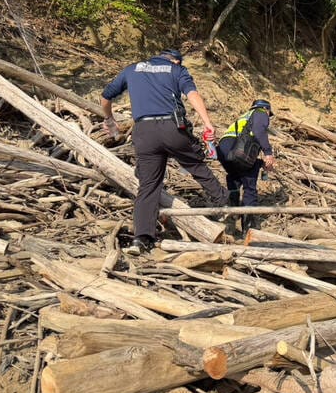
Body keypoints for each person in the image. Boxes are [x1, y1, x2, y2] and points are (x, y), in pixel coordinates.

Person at [101, 49, 229, 255]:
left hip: (144, 132)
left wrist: (109, 120)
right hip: (172, 128)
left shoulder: (132, 69)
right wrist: (207, 123)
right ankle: (223, 203)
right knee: (195, 164)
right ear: (176, 60)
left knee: (148, 185)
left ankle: (142, 239)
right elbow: (192, 95)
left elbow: (106, 97)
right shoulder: (177, 70)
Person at [217, 99, 277, 234]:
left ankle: (232, 215)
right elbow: (258, 131)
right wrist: (268, 153)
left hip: (223, 150)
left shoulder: (244, 117)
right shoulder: (260, 113)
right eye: (269, 113)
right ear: (266, 109)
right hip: (238, 151)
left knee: (234, 177)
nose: (268, 116)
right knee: (250, 184)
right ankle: (248, 226)